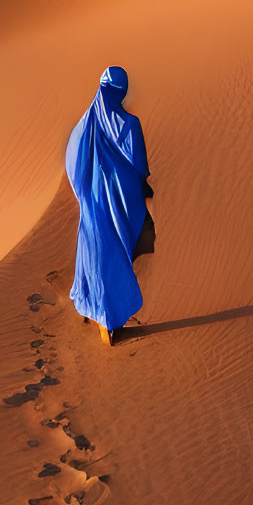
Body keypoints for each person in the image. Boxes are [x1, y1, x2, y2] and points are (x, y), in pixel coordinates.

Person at [65, 65, 153, 344]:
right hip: (122, 203)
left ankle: (99, 314)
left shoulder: (83, 126)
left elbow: (72, 167)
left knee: (95, 253)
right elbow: (139, 167)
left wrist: (86, 196)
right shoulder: (130, 124)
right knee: (116, 256)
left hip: (92, 203)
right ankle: (110, 321)